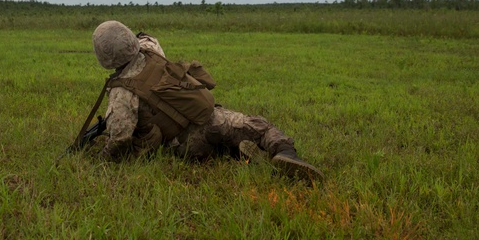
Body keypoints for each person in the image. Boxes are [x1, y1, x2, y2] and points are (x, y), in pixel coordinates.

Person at [90, 20, 323, 183]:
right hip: (210, 117)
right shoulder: (152, 50)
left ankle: (231, 153)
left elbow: (120, 137)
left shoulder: (120, 94)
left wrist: (102, 158)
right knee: (257, 126)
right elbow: (148, 37)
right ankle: (284, 152)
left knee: (211, 149)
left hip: (183, 146)